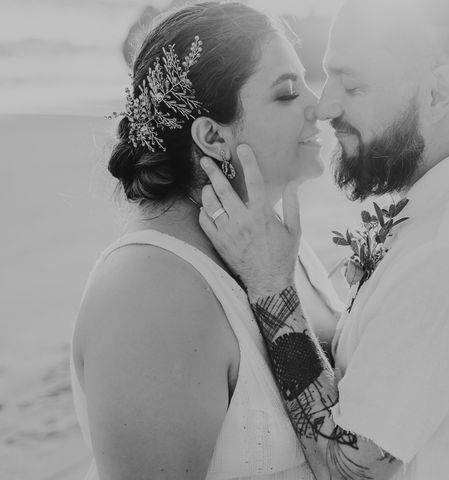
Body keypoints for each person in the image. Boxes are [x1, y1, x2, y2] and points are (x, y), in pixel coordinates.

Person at [198, 0, 449, 479]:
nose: (324, 106)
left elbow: (347, 472)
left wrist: (269, 282)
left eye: (352, 84)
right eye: (328, 76)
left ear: (438, 92)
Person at [70, 2, 343, 479]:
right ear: (213, 137)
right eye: (286, 93)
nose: (316, 106)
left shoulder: (271, 247)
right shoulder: (147, 294)